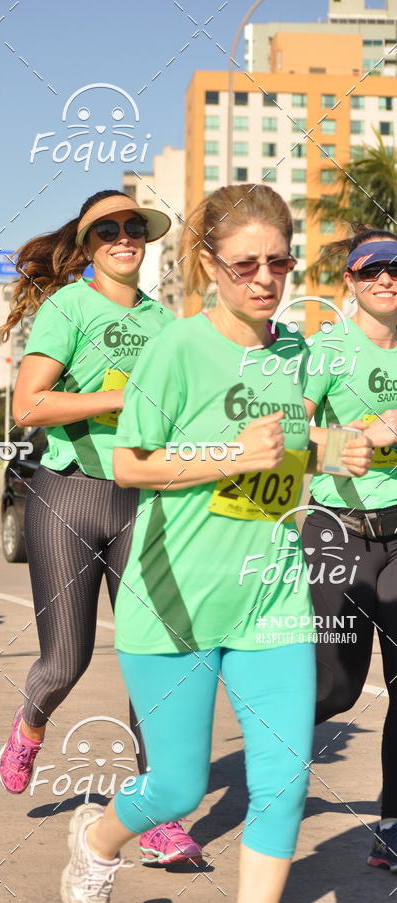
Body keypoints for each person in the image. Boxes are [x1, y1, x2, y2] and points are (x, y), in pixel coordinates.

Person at [59, 184, 373, 903]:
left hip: (273, 597)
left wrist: (331, 448)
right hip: (177, 597)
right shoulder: (176, 349)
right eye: (244, 265)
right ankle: (97, 839)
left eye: (279, 263)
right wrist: (230, 455)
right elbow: (128, 462)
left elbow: (292, 437)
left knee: (284, 781)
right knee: (175, 785)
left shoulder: (296, 351)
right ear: (208, 266)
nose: (265, 279)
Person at [0, 190, 203, 865]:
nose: (125, 236)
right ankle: (31, 723)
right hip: (68, 495)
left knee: (157, 659)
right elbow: (29, 404)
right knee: (65, 661)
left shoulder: (166, 322)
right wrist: (126, 393)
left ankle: (155, 808)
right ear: (87, 245)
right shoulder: (68, 308)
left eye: (135, 226)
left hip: (142, 500)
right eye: (109, 229)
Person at [301, 227, 397, 872]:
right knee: (333, 690)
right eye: (372, 269)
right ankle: (273, 772)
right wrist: (347, 444)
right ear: (350, 282)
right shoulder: (326, 349)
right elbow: (284, 430)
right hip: (336, 531)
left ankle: (391, 823)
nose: (387, 278)